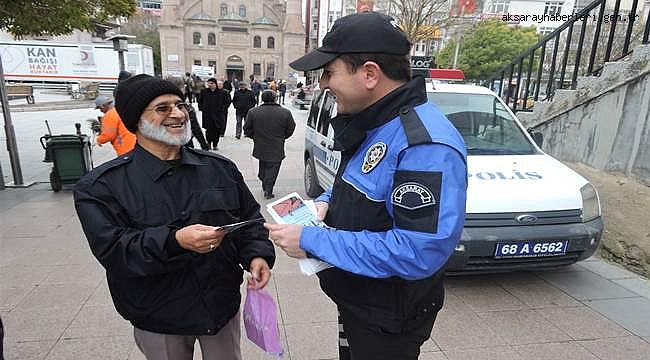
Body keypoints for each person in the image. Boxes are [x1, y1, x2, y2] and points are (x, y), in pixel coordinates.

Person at [265, 12, 467, 360]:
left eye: (330, 72)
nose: (324, 84)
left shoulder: (423, 146)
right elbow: (359, 183)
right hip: (361, 300)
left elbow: (418, 250)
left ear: (370, 73)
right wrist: (326, 202)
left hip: (388, 318)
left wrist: (311, 239)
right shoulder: (375, 122)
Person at [74, 74, 274, 360]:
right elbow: (114, 250)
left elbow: (249, 220)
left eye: (180, 105)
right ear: (136, 120)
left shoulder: (219, 168)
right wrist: (175, 241)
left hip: (220, 306)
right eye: (163, 108)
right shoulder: (101, 185)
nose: (178, 114)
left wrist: (257, 256)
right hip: (158, 315)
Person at [244, 90, 296, 199]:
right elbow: (291, 128)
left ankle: (265, 183)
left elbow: (247, 128)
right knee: (273, 168)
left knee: (263, 164)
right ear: (275, 98)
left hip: (260, 145)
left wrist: (254, 137)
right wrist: (282, 137)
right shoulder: (285, 112)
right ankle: (268, 188)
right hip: (277, 146)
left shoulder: (253, 112)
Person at [166, 76, 209, 150]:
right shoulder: (185, 108)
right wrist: (204, 146)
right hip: (184, 146)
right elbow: (195, 128)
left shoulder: (156, 106)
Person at [198, 78, 229, 150]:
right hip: (207, 114)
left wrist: (222, 109)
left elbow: (227, 102)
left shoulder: (222, 92)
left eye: (212, 83)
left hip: (218, 115)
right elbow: (200, 101)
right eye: (209, 83)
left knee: (217, 130)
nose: (210, 85)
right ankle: (208, 143)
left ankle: (215, 144)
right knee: (208, 130)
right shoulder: (204, 92)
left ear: (215, 84)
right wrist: (202, 108)